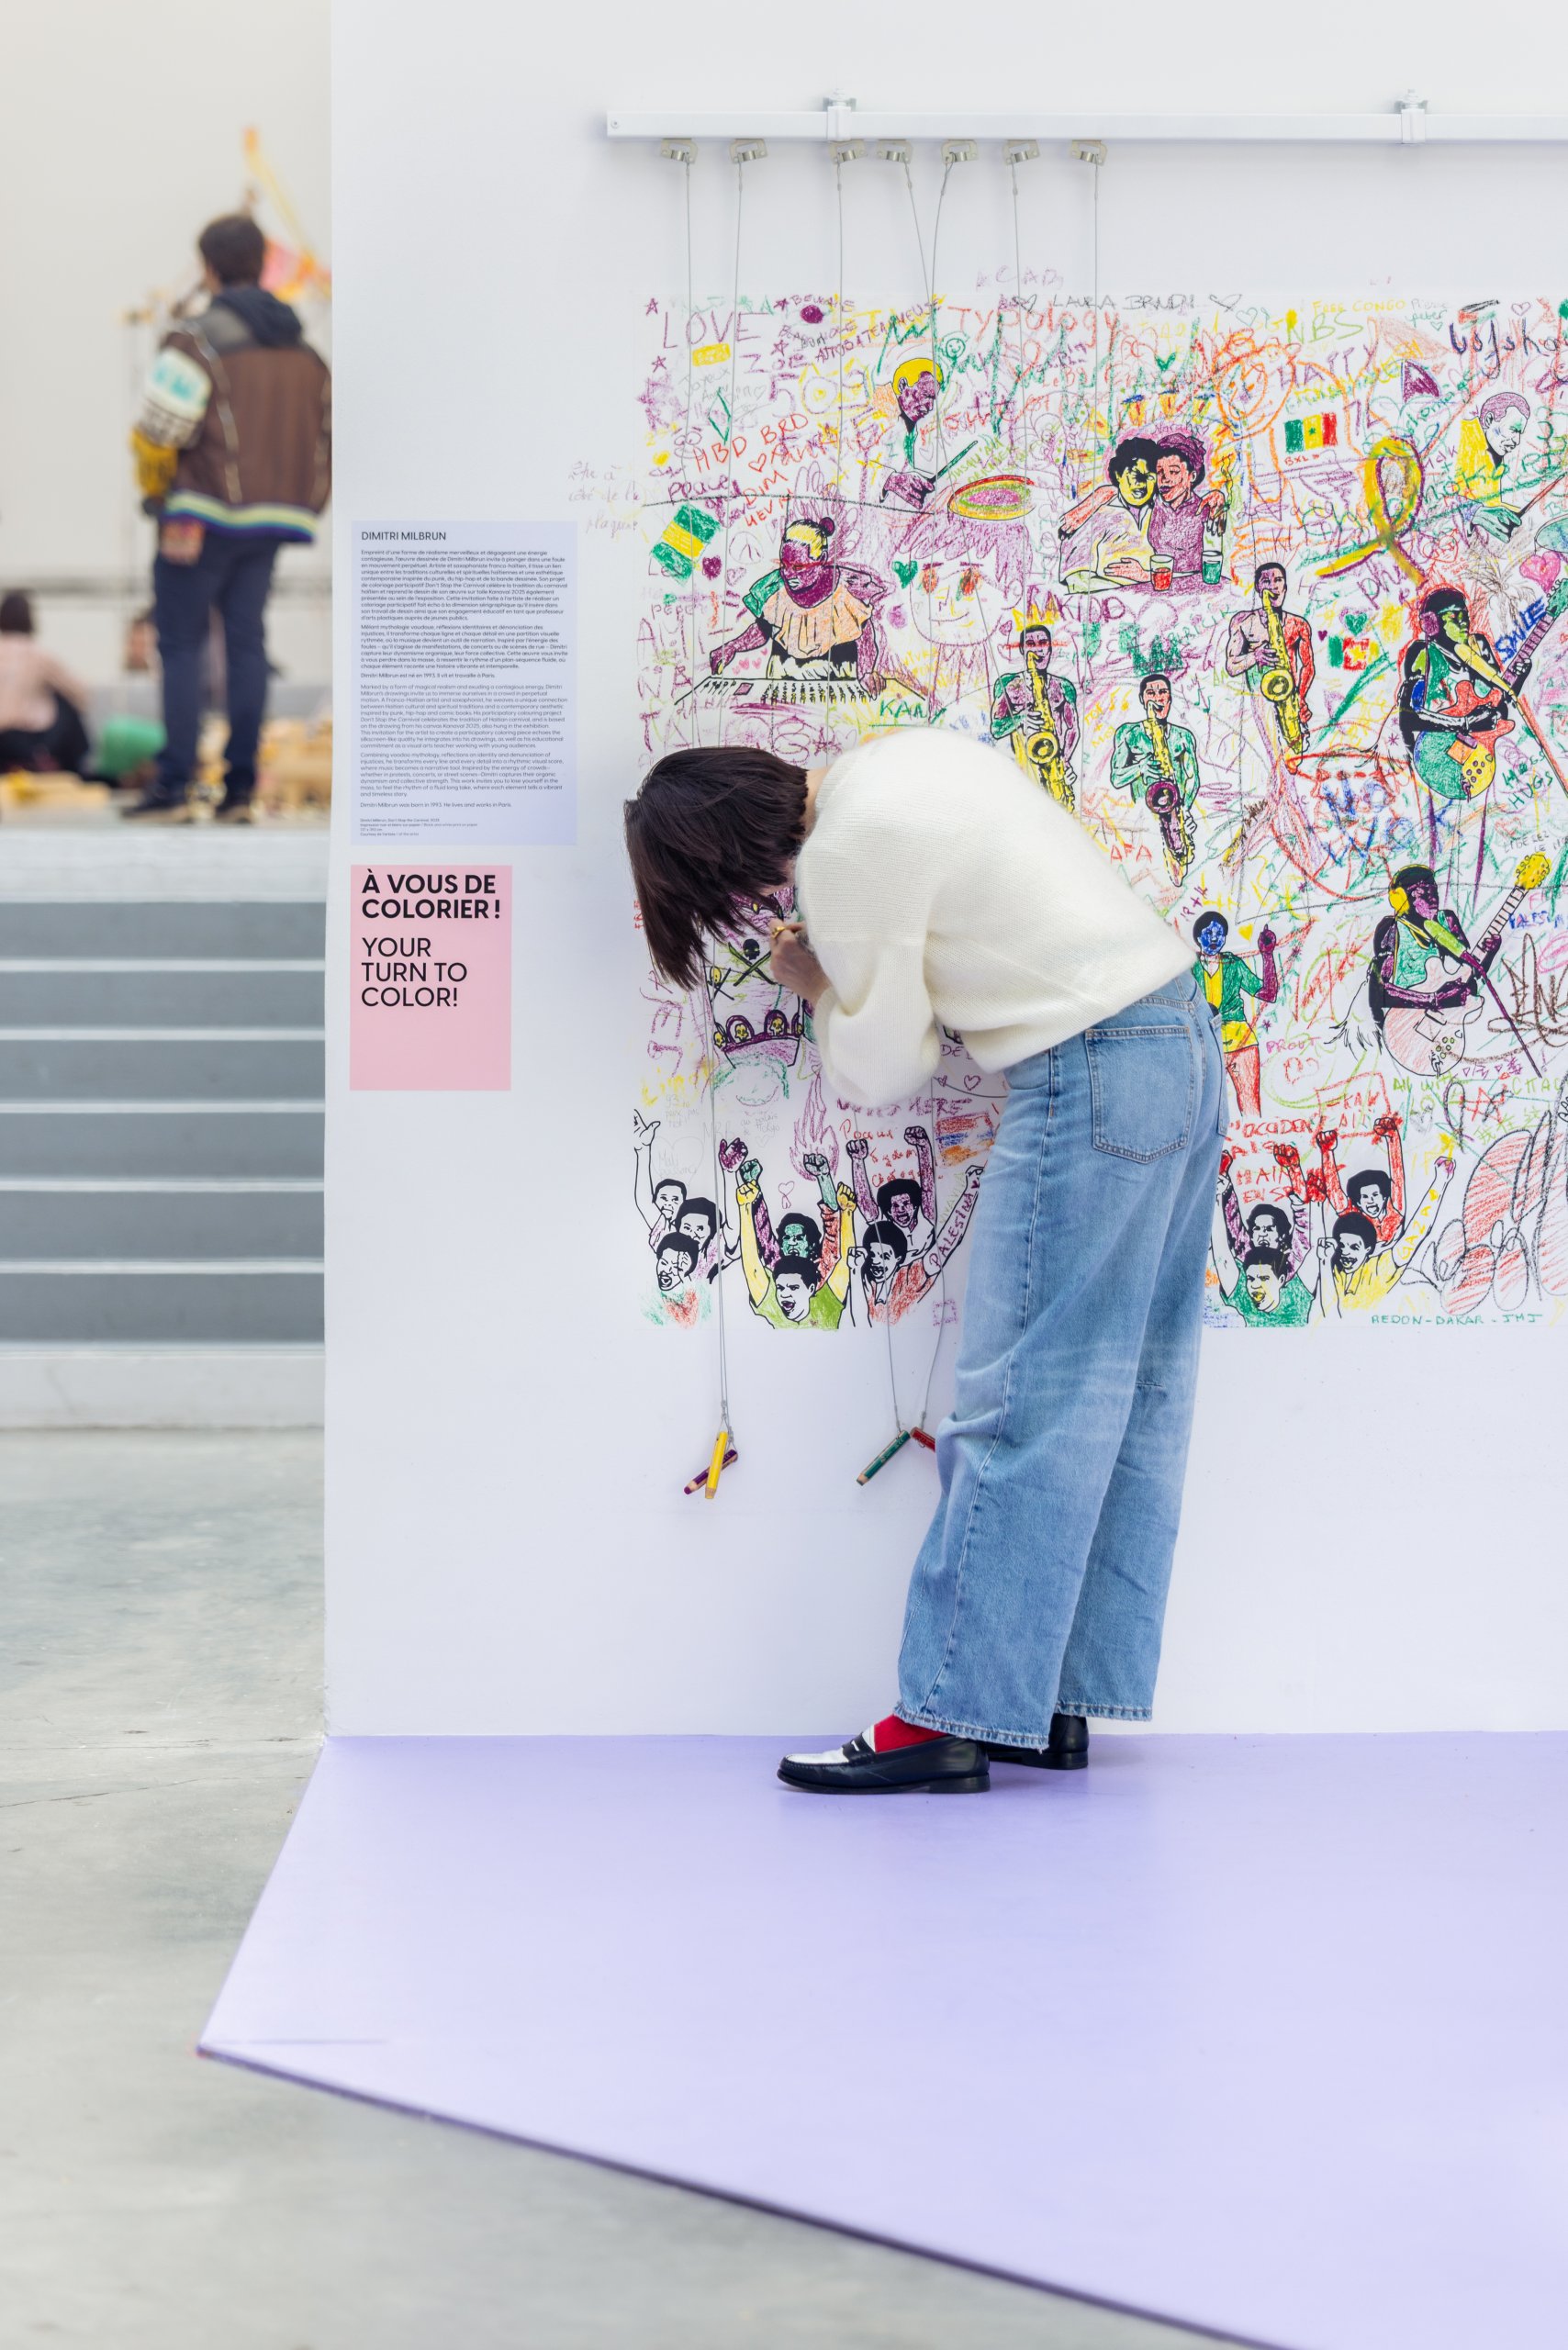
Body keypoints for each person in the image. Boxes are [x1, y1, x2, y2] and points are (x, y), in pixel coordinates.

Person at [624, 728, 1222, 1795]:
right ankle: (1042, 1703)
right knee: (1123, 1391)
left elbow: (882, 1069)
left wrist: (814, 983)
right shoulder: (902, 760)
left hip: (1085, 1065)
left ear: (721, 857)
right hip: (1175, 1040)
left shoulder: (846, 851)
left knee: (1017, 1402)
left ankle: (941, 1717)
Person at [127, 212, 330, 821]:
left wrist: (158, 495)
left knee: (182, 642)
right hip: (275, 517)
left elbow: (158, 430)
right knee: (247, 642)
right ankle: (240, 789)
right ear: (263, 264)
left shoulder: (197, 339)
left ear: (210, 267)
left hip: (199, 513)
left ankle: (175, 784)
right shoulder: (305, 351)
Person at [710, 518, 888, 695]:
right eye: (784, 564)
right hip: (785, 677)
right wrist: (733, 646)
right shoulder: (775, 588)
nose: (788, 574)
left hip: (837, 678)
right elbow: (763, 629)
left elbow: (864, 636)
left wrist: (867, 672)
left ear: (822, 559)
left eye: (798, 566)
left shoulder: (846, 590)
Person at [1397, 588, 1518, 804]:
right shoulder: (1423, 653)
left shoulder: (1478, 645)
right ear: (1431, 624)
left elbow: (1498, 703)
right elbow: (1408, 717)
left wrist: (1517, 681)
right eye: (1454, 616)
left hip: (1480, 754)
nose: (1464, 622)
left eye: (1465, 615)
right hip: (1438, 753)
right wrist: (1465, 723)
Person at [1110, 672, 1202, 882]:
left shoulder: (1183, 737)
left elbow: (1192, 779)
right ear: (1142, 699)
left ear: (1170, 698)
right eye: (1151, 693)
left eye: (1163, 693)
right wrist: (1140, 768)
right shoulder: (1128, 733)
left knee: (1179, 874)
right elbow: (1116, 778)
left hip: (1176, 812)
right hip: (1142, 818)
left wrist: (1185, 810)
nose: (1158, 698)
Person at [989, 604, 1080, 808]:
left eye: (1042, 643)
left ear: (1050, 648)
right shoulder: (1008, 684)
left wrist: (1064, 761)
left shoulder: (1064, 687)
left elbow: (1072, 729)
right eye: (1030, 644)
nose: (1037, 649)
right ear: (1022, 650)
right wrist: (1021, 718)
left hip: (1055, 764)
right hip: (1022, 770)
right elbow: (995, 728)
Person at [1191, 910, 1279, 1119]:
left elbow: (1269, 993)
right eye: (1208, 933)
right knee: (1202, 1116)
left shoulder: (1233, 964)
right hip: (1204, 1046)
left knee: (1251, 1110)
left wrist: (1267, 955)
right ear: (1197, 936)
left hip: (1242, 1044)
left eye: (1219, 934)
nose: (1213, 939)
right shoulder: (1188, 966)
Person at [1226, 562, 1314, 755]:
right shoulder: (1243, 621)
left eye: (1278, 580)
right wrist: (1255, 656)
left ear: (1285, 587)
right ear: (1258, 588)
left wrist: (1301, 697)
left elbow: (1307, 666)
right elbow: (1231, 666)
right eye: (1266, 581)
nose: (1273, 586)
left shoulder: (1299, 624)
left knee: (1294, 758)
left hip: (1290, 699)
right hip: (1259, 700)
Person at [0, 592, 91, 775]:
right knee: (64, 700)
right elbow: (82, 694)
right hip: (26, 738)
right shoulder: (36, 654)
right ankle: (61, 763)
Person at [1058, 436, 1159, 591]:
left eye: (1150, 478)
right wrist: (1123, 592)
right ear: (1118, 475)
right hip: (1110, 605)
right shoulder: (1097, 514)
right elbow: (1074, 576)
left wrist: (1145, 576)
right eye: (1134, 475)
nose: (1141, 485)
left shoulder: (1159, 513)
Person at [1454, 391, 1529, 541]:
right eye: (1514, 430)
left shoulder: (1494, 455)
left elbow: (1489, 506)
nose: (1517, 440)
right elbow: (1432, 492)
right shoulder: (1458, 436)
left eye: (1520, 433)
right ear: (1488, 420)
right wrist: (1474, 512)